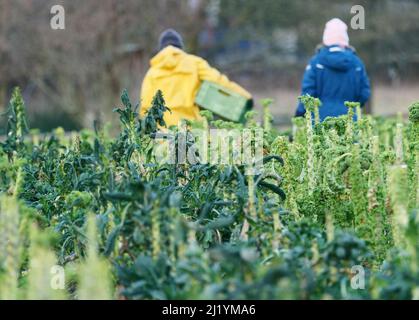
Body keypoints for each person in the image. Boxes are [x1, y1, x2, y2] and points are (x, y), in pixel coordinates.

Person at [140, 29, 252, 127]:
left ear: (161, 49)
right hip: (192, 128)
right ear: (180, 48)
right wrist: (245, 96)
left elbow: (144, 106)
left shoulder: (152, 73)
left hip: (163, 132)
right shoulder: (194, 63)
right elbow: (218, 81)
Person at [295, 18, 370, 121]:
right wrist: (354, 108)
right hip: (350, 120)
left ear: (325, 39)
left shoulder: (316, 62)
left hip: (319, 121)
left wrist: (299, 113)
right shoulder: (357, 63)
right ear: (345, 39)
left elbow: (308, 92)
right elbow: (364, 92)